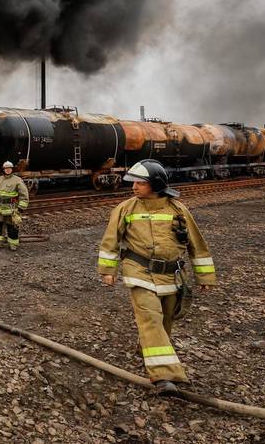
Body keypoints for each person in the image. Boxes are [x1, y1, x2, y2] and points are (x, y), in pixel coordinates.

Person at [97, 159, 217, 396]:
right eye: (133, 183)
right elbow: (110, 241)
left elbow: (197, 244)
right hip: (138, 271)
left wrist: (205, 276)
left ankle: (148, 348)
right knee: (150, 317)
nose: (133, 187)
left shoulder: (178, 210)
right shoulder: (125, 209)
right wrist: (107, 271)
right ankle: (165, 375)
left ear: (156, 184)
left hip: (171, 274)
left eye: (140, 183)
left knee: (166, 320)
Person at [0, 160, 30, 250]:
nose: (7, 170)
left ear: (12, 169)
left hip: (12, 209)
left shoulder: (17, 180)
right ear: (3, 170)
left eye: (9, 169)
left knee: (12, 228)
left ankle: (13, 245)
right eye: (6, 169)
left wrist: (21, 207)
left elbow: (24, 195)